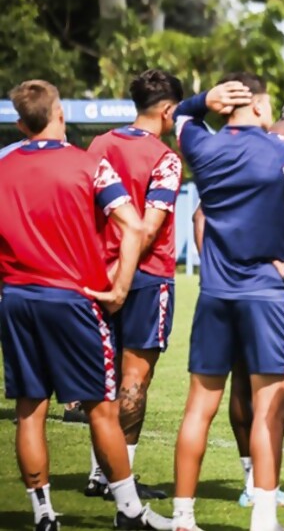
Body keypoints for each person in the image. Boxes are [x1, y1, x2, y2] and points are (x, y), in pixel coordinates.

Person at [0, 79, 171, 530]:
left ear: (20, 124)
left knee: (28, 411)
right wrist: (119, 288)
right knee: (102, 409)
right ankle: (130, 512)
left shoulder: (2, 167)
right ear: (59, 115)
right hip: (74, 300)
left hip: (16, 299)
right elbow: (134, 227)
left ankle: (43, 515)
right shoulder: (89, 165)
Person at [171, 75, 284, 531]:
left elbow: (181, 115)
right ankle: (263, 517)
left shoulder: (204, 148)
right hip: (265, 295)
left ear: (226, 106)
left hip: (215, 293)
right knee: (267, 408)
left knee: (198, 406)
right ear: (260, 107)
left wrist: (204, 100)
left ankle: (183, 516)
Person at [83, 68, 184, 501]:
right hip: (147, 277)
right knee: (134, 381)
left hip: (98, 275)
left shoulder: (100, 144)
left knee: (103, 379)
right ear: (167, 110)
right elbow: (144, 230)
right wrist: (123, 278)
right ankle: (118, 482)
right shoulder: (166, 157)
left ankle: (97, 473)